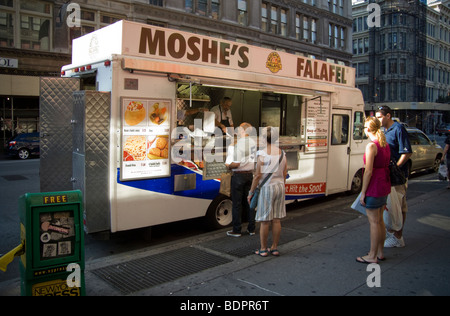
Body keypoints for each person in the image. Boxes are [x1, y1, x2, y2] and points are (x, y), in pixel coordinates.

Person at [376, 106, 412, 248]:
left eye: (380, 117)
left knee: (399, 206)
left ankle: (398, 236)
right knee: (391, 206)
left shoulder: (398, 129)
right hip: (390, 175)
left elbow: (407, 152)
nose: (378, 120)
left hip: (398, 176)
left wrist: (396, 167)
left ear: (388, 116)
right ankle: (394, 233)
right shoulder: (385, 131)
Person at [356, 117, 391, 264]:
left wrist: (363, 192)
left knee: (374, 222)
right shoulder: (384, 144)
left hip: (375, 185)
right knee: (380, 220)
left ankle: (372, 255)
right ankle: (380, 252)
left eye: (364, 127)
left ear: (368, 129)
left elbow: (368, 171)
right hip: (384, 183)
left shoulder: (371, 146)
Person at [248, 127, 287, 257]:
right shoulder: (282, 153)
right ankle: (274, 247)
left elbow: (257, 175)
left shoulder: (262, 154)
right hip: (280, 187)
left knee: (265, 220)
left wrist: (251, 192)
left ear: (265, 139)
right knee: (276, 219)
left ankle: (263, 249)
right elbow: (285, 173)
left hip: (267, 188)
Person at [225, 123, 257, 237]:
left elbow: (236, 164)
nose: (237, 131)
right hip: (249, 175)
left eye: (239, 129)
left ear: (243, 131)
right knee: (249, 203)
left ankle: (237, 230)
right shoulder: (253, 143)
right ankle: (251, 229)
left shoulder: (239, 144)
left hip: (238, 176)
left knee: (237, 204)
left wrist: (228, 165)